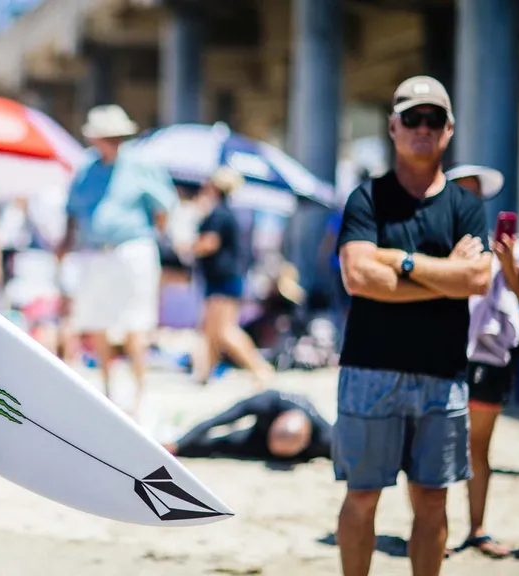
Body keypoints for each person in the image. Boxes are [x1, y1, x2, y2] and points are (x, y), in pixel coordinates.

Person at [334, 76, 491, 576]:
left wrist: (399, 262)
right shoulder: (366, 198)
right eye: (413, 118)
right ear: (393, 127)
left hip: (442, 374)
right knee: (362, 498)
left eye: (434, 119)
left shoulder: (465, 205)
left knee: (432, 502)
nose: (423, 128)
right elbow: (358, 276)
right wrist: (446, 278)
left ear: (449, 130)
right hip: (369, 369)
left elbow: (480, 278)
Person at [56, 104, 177, 419]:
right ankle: (109, 389)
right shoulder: (85, 170)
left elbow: (164, 207)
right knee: (95, 320)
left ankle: (141, 391)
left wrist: (152, 238)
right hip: (95, 252)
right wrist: (66, 246)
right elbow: (72, 212)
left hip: (133, 249)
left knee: (137, 323)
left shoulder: (141, 165)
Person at [444, 164, 519, 559]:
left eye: (474, 193)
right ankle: (434, 529)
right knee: (436, 443)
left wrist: (505, 260)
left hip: (488, 358)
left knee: (477, 447)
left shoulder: (496, 247)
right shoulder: (432, 238)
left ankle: (476, 528)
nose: (468, 199)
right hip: (441, 354)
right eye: (461, 191)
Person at [185, 166, 275, 388]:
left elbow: (209, 243)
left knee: (225, 330)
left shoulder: (218, 214)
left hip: (222, 279)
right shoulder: (228, 212)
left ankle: (259, 368)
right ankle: (204, 373)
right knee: (210, 329)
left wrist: (188, 247)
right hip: (224, 278)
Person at [162, 389, 332, 463]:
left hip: (297, 448)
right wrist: (178, 444)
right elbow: (218, 420)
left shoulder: (325, 437)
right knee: (210, 445)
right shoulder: (267, 402)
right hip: (258, 439)